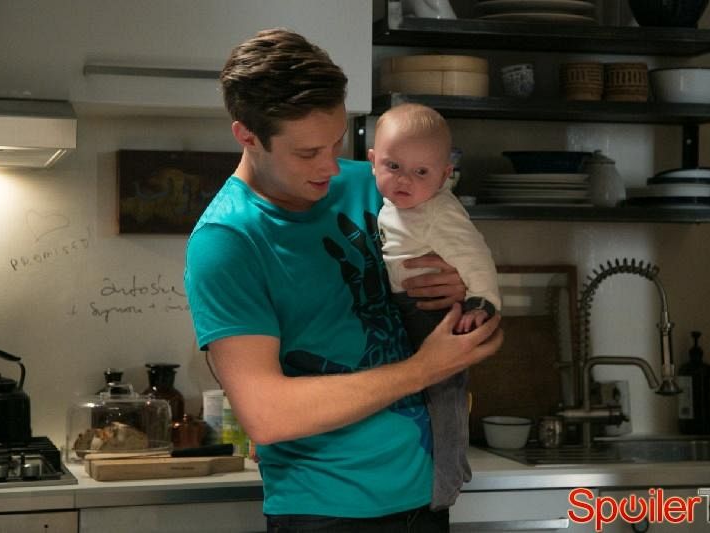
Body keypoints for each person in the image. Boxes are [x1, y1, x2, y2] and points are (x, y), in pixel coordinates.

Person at [184, 28, 503, 532]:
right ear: (247, 136)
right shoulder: (228, 241)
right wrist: (424, 368)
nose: (332, 167)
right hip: (326, 512)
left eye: (336, 142)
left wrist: (461, 292)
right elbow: (266, 415)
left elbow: (480, 311)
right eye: (308, 152)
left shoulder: (378, 182)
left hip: (428, 497)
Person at [369, 103, 502, 511]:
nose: (404, 179)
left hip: (430, 313)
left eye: (421, 172)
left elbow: (475, 256)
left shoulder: (439, 211)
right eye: (393, 166)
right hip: (404, 307)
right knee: (424, 395)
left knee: (444, 396)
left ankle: (448, 478)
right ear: (373, 161)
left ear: (445, 176)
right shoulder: (396, 202)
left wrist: (481, 302)